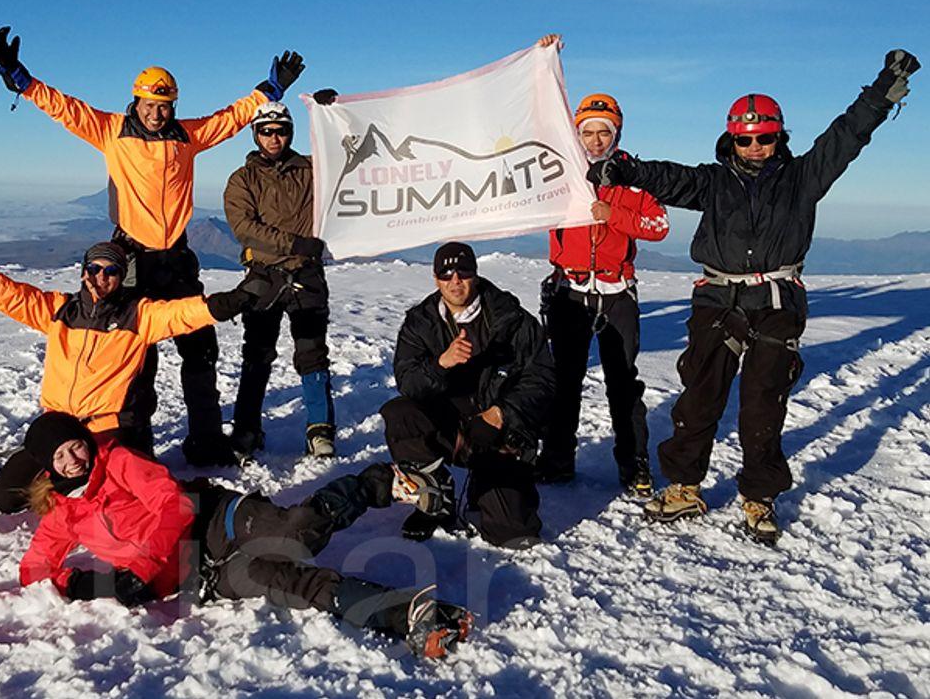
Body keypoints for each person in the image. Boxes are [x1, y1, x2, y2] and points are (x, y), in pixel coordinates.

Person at [592, 50, 919, 543]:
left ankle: (759, 495)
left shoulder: (803, 179)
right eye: (745, 139)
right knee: (699, 397)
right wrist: (626, 169)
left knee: (763, 403)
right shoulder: (713, 181)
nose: (755, 147)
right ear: (733, 138)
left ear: (778, 136)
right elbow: (668, 176)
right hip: (717, 299)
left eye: (764, 138)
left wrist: (880, 93)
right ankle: (684, 486)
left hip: (776, 301)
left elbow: (846, 136)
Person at [0, 25, 305, 466]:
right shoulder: (111, 130)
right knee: (137, 359)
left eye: (165, 106)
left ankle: (206, 441)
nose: (157, 113)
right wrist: (19, 77)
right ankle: (137, 451)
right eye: (151, 105)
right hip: (132, 260)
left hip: (176, 258)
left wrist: (269, 90)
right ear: (137, 101)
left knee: (199, 350)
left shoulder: (187, 136)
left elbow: (230, 119)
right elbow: (65, 108)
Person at [16, 411, 473, 660]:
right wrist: (78, 585)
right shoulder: (61, 511)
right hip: (203, 577)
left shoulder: (118, 462)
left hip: (215, 520)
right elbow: (35, 568)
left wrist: (139, 568)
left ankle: (378, 482)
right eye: (60, 456)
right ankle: (406, 616)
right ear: (49, 469)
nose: (74, 458)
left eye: (74, 444)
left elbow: (172, 505)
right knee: (290, 583)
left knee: (298, 534)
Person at [0, 231, 271, 512]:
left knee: (119, 498)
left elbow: (184, 314)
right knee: (7, 498)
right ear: (84, 271)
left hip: (108, 428)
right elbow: (8, 294)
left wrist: (231, 302)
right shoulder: (61, 311)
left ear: (122, 276)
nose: (101, 277)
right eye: (95, 269)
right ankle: (63, 479)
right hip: (60, 427)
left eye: (111, 270)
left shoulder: (139, 315)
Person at [535, 93, 670, 497]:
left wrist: (617, 216)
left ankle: (634, 466)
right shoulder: (558, 174)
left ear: (617, 133)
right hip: (569, 290)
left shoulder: (632, 177)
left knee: (623, 383)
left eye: (603, 132)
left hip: (617, 292)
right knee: (565, 380)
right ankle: (557, 458)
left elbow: (658, 224)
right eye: (588, 132)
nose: (595, 140)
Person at [379, 243, 556, 546]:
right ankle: (433, 497)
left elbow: (542, 380)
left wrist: (501, 413)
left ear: (475, 275)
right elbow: (408, 382)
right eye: (446, 274)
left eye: (463, 272)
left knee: (513, 533)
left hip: (501, 432)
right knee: (401, 414)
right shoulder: (420, 323)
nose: (455, 281)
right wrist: (440, 364)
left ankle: (487, 484)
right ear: (435, 279)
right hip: (452, 426)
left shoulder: (512, 319)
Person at [222, 100, 335, 460]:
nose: (275, 137)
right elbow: (245, 229)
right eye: (267, 131)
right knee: (257, 354)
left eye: (282, 130)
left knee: (312, 353)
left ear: (291, 132)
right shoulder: (243, 179)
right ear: (255, 133)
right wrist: (294, 243)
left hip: (306, 274)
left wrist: (330, 114)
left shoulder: (313, 171)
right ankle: (246, 428)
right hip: (264, 276)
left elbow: (347, 166)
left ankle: (320, 428)